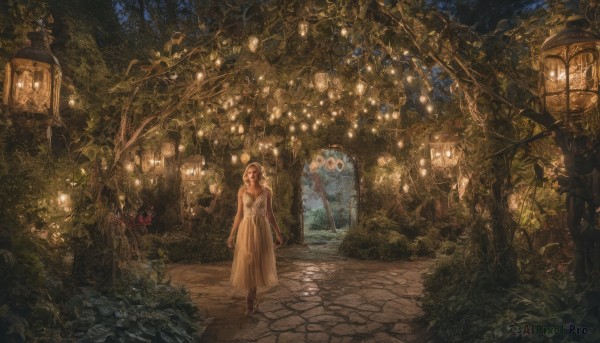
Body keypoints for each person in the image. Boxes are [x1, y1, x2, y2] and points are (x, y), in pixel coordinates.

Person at [227, 162, 284, 316]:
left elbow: (270, 214)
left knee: (259, 262)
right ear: (247, 174)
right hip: (246, 230)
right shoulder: (242, 191)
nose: (252, 175)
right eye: (250, 172)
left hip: (261, 230)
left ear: (259, 174)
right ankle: (250, 301)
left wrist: (278, 233)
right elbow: (239, 214)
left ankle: (252, 298)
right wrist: (231, 235)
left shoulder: (267, 191)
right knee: (248, 262)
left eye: (255, 172)